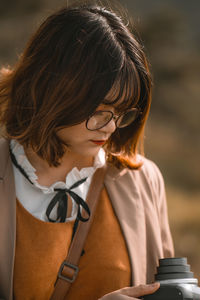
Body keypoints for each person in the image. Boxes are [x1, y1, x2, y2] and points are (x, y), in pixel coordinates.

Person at [0, 1, 174, 299]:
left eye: (122, 112)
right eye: (100, 109)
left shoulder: (142, 179)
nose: (111, 127)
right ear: (52, 88)